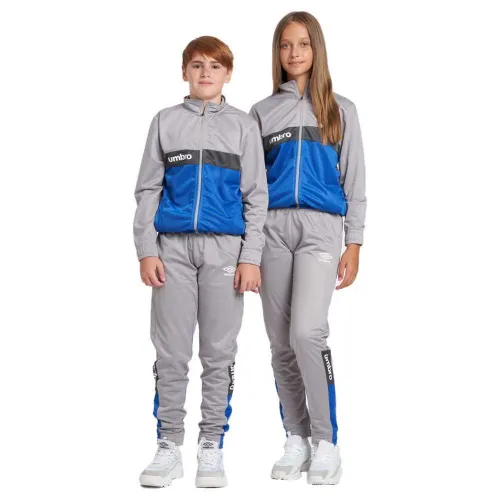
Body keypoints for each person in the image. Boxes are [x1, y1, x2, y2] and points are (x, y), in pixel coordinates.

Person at [133, 36, 268, 488]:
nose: (205, 72)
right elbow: (148, 189)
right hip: (171, 249)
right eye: (196, 65)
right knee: (171, 352)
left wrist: (251, 257)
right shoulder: (165, 121)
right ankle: (168, 444)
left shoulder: (244, 126)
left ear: (228, 73)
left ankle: (211, 444)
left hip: (225, 251)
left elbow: (256, 197)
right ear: (184, 72)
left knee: (218, 352)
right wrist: (147, 249)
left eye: (214, 66)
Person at [249, 12, 367, 485]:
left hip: (321, 228)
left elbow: (354, 180)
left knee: (306, 334)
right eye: (285, 45)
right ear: (277, 53)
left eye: (302, 43)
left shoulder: (341, 110)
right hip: (271, 230)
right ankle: (296, 437)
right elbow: (251, 185)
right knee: (280, 342)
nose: (294, 53)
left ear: (316, 48)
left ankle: (326, 441)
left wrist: (354, 241)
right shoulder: (261, 113)